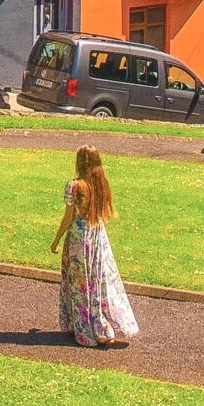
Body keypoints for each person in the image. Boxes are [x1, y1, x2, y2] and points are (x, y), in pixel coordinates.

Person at [50, 146, 139, 351]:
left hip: (79, 239)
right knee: (97, 281)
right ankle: (102, 328)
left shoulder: (74, 186)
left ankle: (83, 327)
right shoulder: (101, 185)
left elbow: (68, 217)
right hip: (98, 236)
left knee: (80, 282)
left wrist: (56, 240)